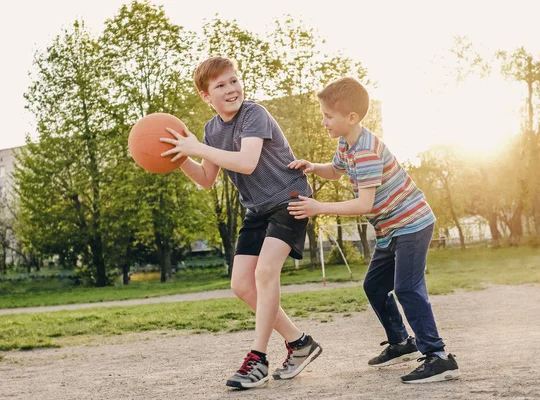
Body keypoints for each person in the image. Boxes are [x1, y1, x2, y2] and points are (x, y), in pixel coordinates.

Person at [160, 57, 322, 389]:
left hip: (289, 198)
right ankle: (300, 343)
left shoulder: (254, 113)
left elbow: (247, 162)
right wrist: (180, 158)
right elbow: (206, 178)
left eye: (234, 80)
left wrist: (198, 146)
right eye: (220, 85)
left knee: (265, 273)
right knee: (241, 285)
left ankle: (257, 360)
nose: (231, 88)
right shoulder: (211, 130)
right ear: (206, 96)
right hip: (258, 209)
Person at [287, 77, 460, 383]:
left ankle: (438, 356)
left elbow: (364, 203)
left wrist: (320, 207)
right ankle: (401, 342)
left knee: (406, 287)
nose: (323, 121)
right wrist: (312, 166)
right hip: (391, 229)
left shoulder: (366, 150)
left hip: (411, 224)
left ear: (351, 118)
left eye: (328, 116)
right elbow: (337, 171)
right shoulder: (347, 143)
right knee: (375, 286)